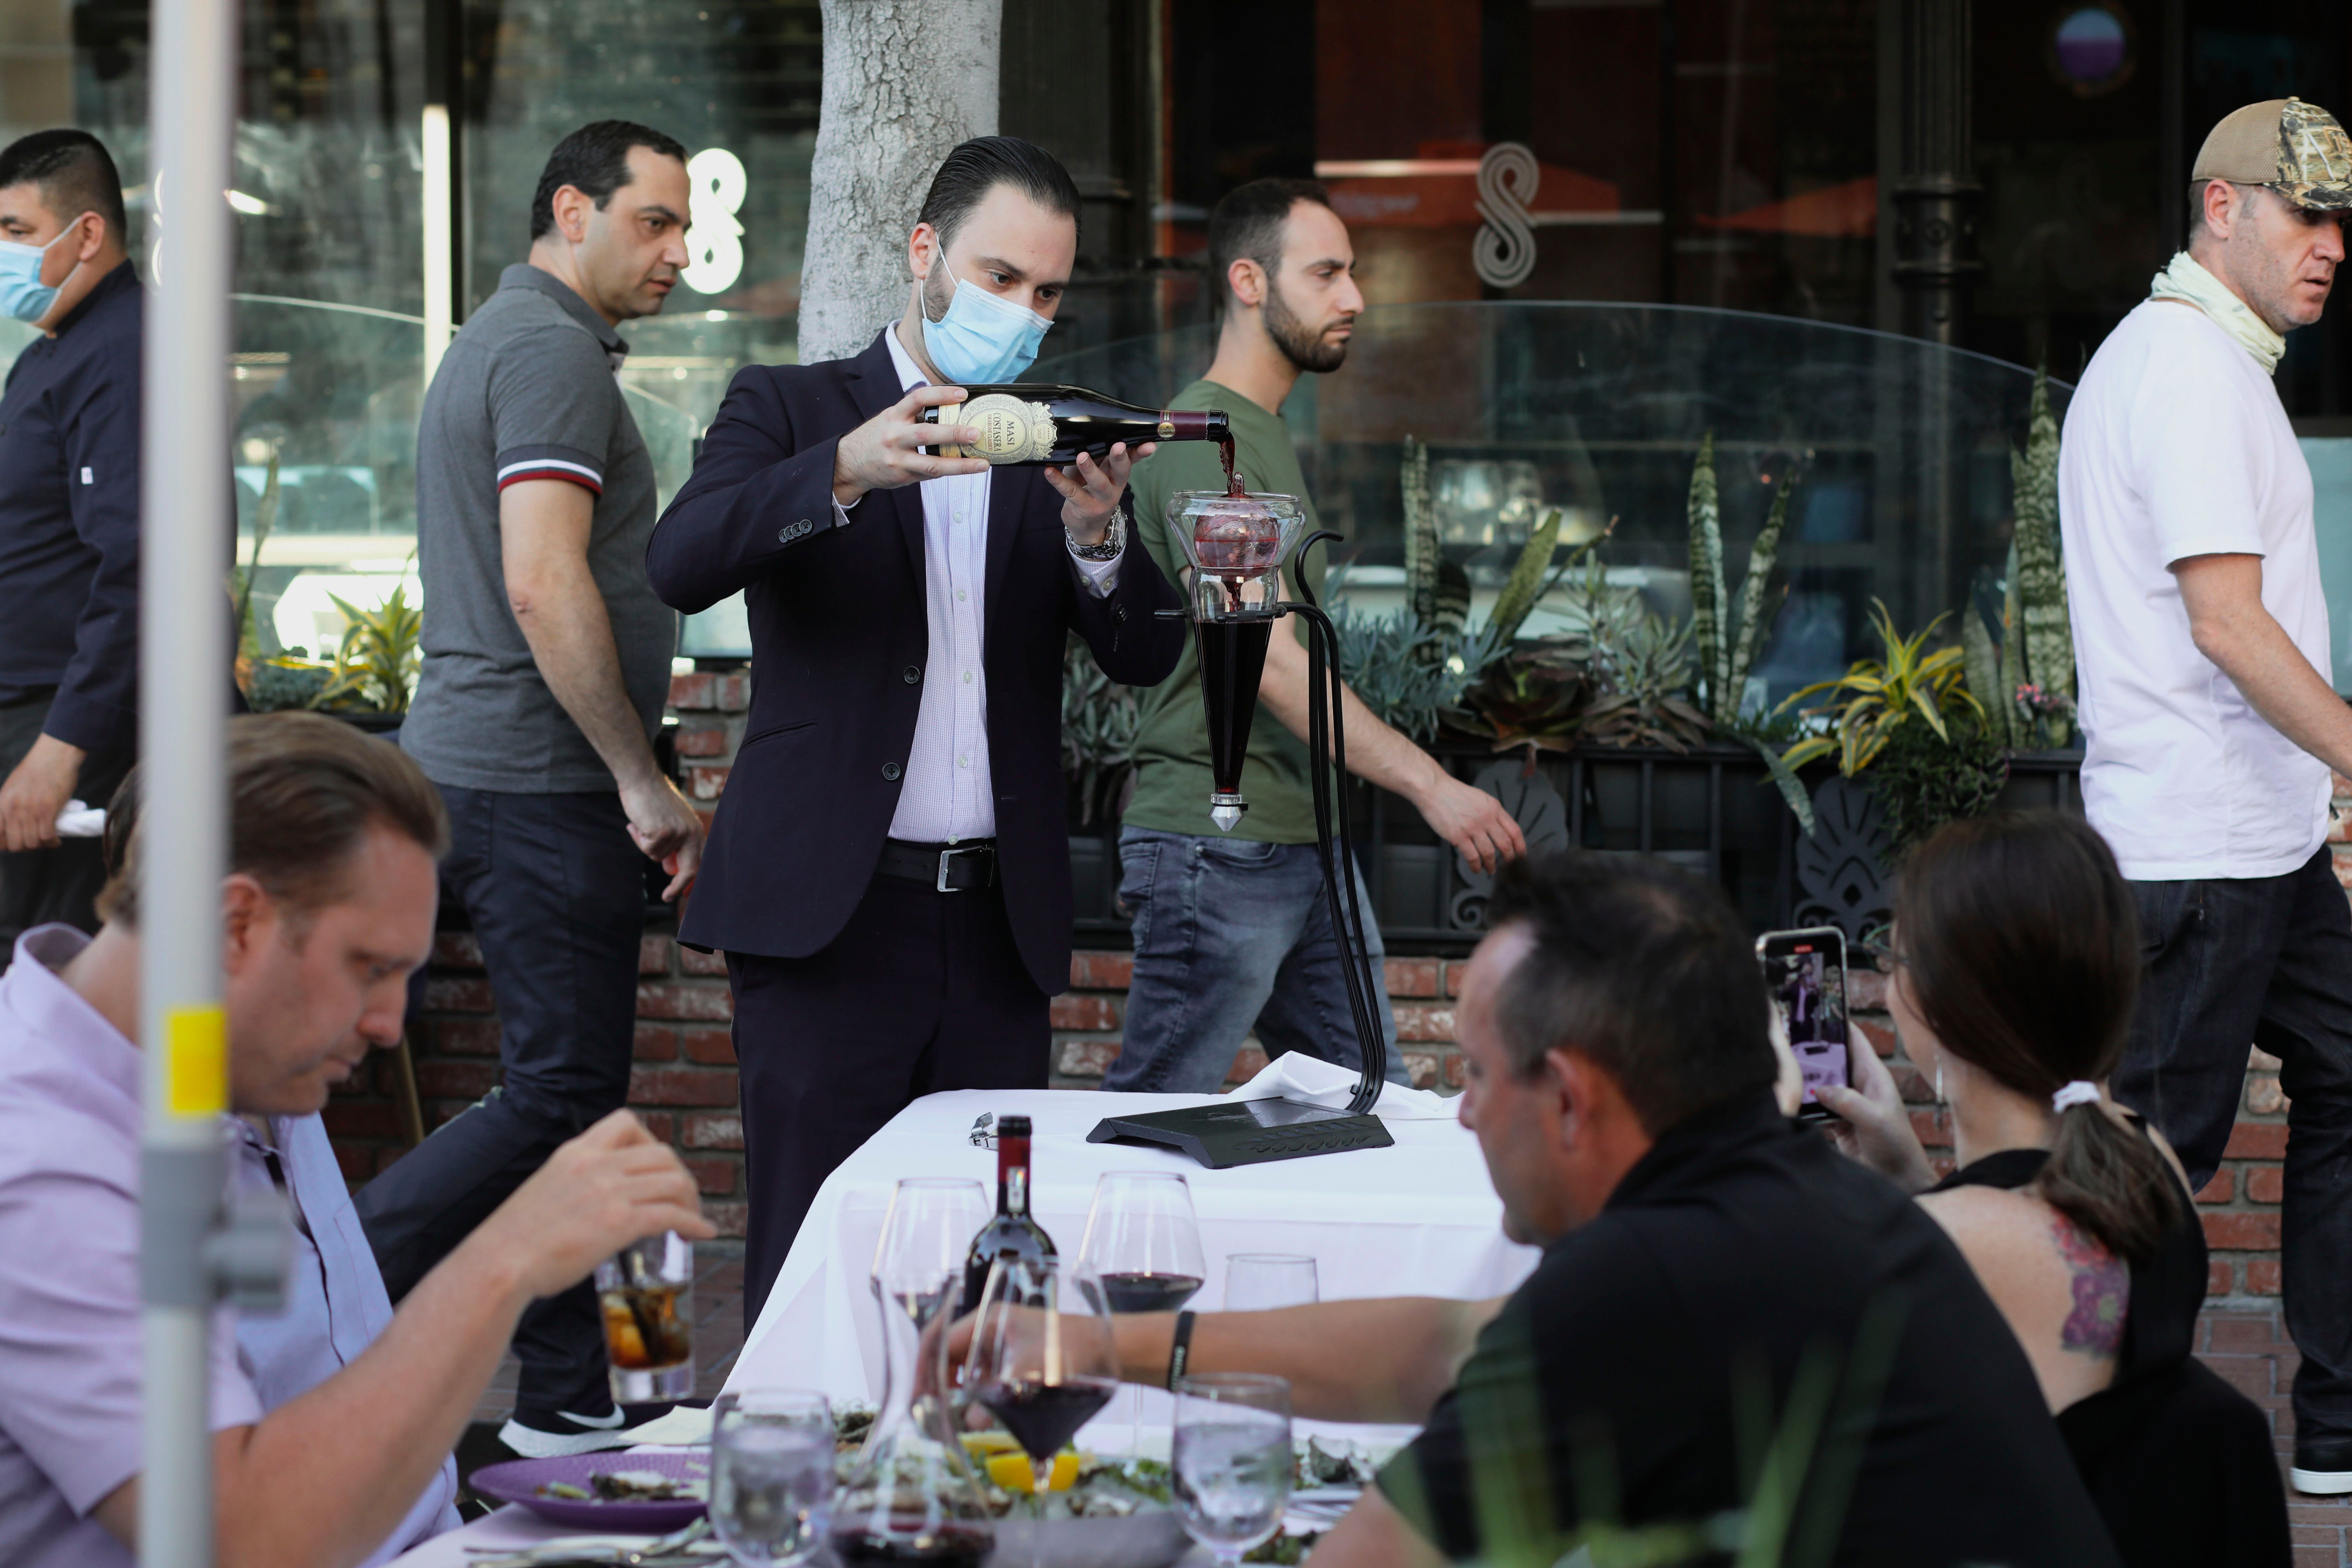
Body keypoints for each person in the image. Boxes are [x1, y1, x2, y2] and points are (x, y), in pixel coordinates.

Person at [1037, 853, 2120, 1565]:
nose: (1461, 1115)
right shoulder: (1792, 1200)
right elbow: (1447, 1348)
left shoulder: (1657, 1277)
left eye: (1472, 1072)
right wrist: (1087, 1343)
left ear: (1569, 1096)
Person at [646, 136, 1186, 1328]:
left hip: (997, 932)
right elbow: (680, 562)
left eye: (1047, 294)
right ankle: (792, 1493)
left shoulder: (1049, 438)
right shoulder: (789, 407)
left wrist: (1101, 540)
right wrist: (841, 472)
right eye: (1002, 278)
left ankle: (957, 1502)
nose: (1025, 314)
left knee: (984, 1279)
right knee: (812, 1262)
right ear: (926, 252)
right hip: (830, 922)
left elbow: (1150, 651)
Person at [0, 712, 712, 1568]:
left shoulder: (227, 1061)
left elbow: (268, 1358)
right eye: (371, 966)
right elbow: (244, 1536)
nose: (386, 1024)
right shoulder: (39, 1162)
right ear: (234, 925)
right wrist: (505, 1259)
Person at [354, 120, 707, 1457]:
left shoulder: (502, 341)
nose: (679, 251)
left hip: (486, 765)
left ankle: (568, 1398)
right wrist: (639, 777)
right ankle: (348, 1287)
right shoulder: (551, 353)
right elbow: (542, 577)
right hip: (537, 780)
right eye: (654, 221)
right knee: (562, 1093)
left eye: (682, 225)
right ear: (573, 210)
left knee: (580, 1098)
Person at [2055, 94, 2352, 1494]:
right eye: (2306, 213)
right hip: (2196, 849)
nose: (2333, 243)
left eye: (2342, 217)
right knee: (2154, 1178)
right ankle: (2106, 1465)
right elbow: (2226, 624)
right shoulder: (2178, 367)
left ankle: (2337, 1423)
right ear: (2221, 209)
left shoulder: (2222, 366)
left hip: (2266, 846)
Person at [1107, 179, 1525, 1094]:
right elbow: (1268, 663)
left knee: (1374, 1110)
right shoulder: (1201, 441)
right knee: (1150, 1119)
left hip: (1298, 838)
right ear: (1250, 282)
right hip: (1219, 849)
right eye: (1328, 273)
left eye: (1354, 273)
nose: (1356, 299)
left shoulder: (1258, 436)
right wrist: (1433, 787)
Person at [1820, 811, 2289, 1567]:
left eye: (1896, 955)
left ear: (1935, 1005)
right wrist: (1913, 1177)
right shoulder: (2145, 1155)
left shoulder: (1924, 1254)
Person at [0, 131, 140, 955]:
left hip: (66, 741)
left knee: (46, 975)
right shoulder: (56, 350)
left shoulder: (121, 356)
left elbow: (141, 571)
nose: (1, 253)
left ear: (86, 234)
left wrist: (59, 751)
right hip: (36, 720)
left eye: (17, 231)